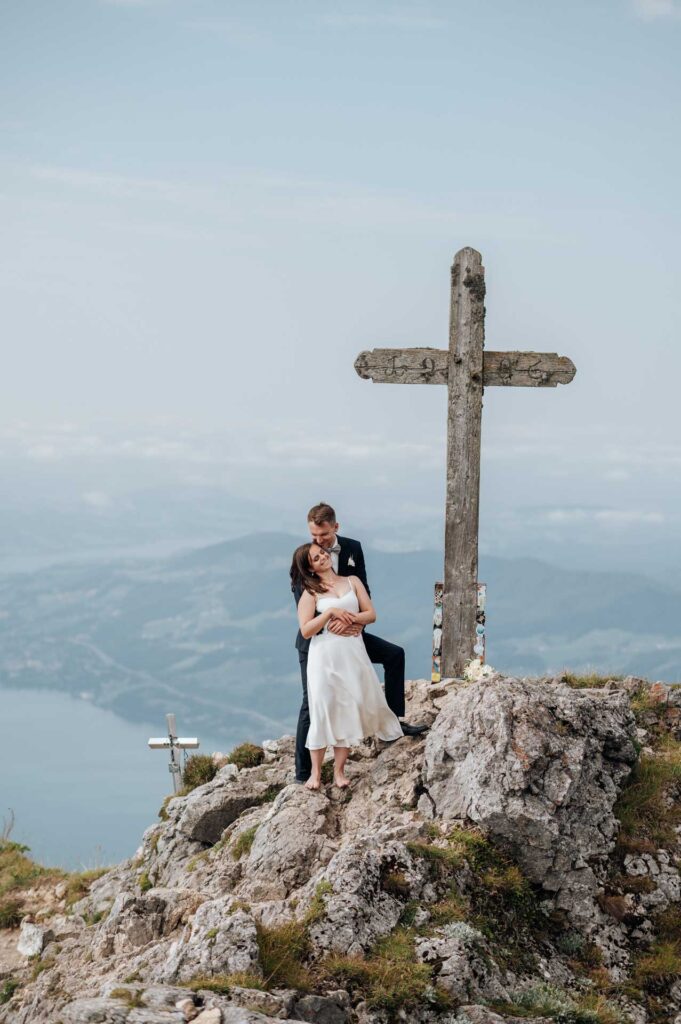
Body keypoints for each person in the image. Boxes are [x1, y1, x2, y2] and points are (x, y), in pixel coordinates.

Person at [292, 501, 427, 784]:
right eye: (314, 536)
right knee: (311, 702)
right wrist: (330, 620)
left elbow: (363, 588)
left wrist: (354, 622)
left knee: (395, 655)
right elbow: (303, 601)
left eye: (324, 535)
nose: (319, 542)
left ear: (336, 527)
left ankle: (394, 723)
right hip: (319, 641)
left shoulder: (353, 549)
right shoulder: (307, 558)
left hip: (353, 634)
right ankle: (303, 773)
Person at [291, 541, 403, 789]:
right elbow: (306, 629)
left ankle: (340, 771)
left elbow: (370, 613)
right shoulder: (311, 592)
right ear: (309, 567)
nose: (322, 558)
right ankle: (315, 773)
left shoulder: (352, 581)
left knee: (347, 706)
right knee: (323, 708)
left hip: (352, 652)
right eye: (316, 558)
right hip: (325, 655)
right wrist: (330, 614)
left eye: (322, 553)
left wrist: (354, 621)